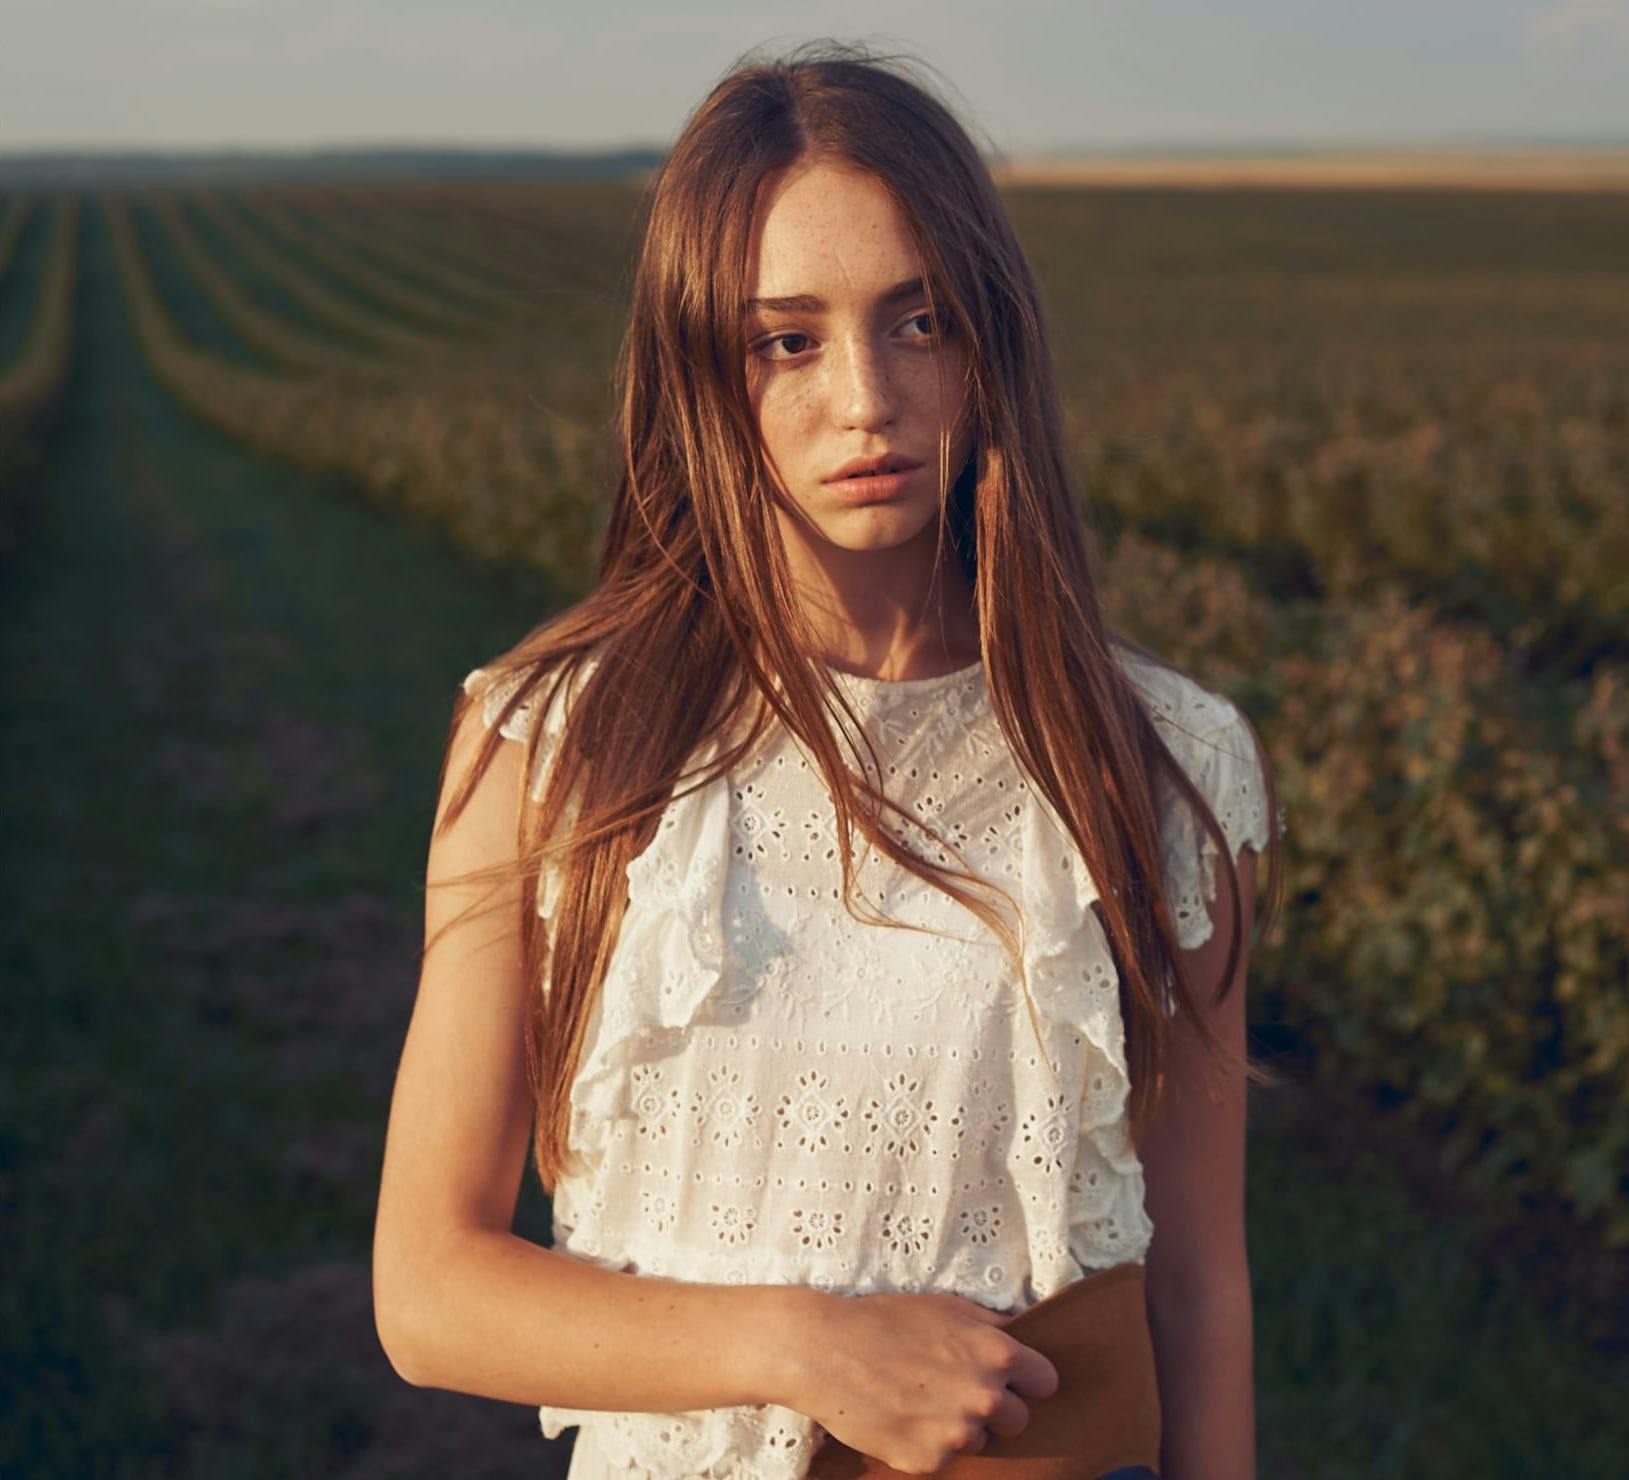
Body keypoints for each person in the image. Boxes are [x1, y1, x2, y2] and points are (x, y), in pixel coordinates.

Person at [372, 38, 1284, 1480]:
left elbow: (1196, 1286)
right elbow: (428, 1294)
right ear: (698, 373)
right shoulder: (549, 742)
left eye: (918, 322)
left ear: (989, 342)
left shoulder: (1163, 759)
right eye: (785, 340)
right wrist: (799, 1347)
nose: (865, 395)